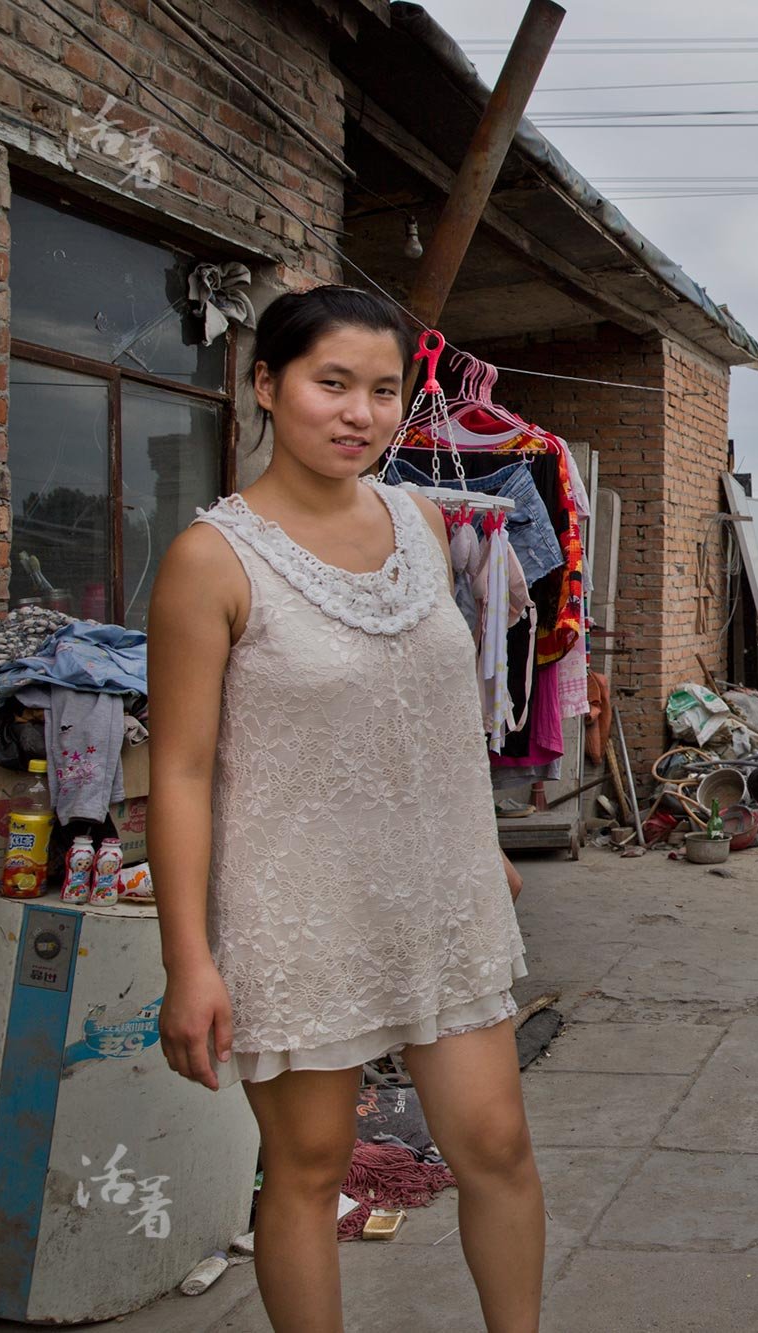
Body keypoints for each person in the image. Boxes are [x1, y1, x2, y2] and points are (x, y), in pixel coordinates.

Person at [149, 287, 544, 1333]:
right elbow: (180, 773)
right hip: (298, 909)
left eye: (382, 391)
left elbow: (430, 708)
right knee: (310, 1169)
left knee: (497, 1146)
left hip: (442, 899)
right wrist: (188, 961)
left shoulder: (424, 521)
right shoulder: (212, 560)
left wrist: (482, 842)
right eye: (332, 384)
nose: (359, 414)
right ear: (266, 385)